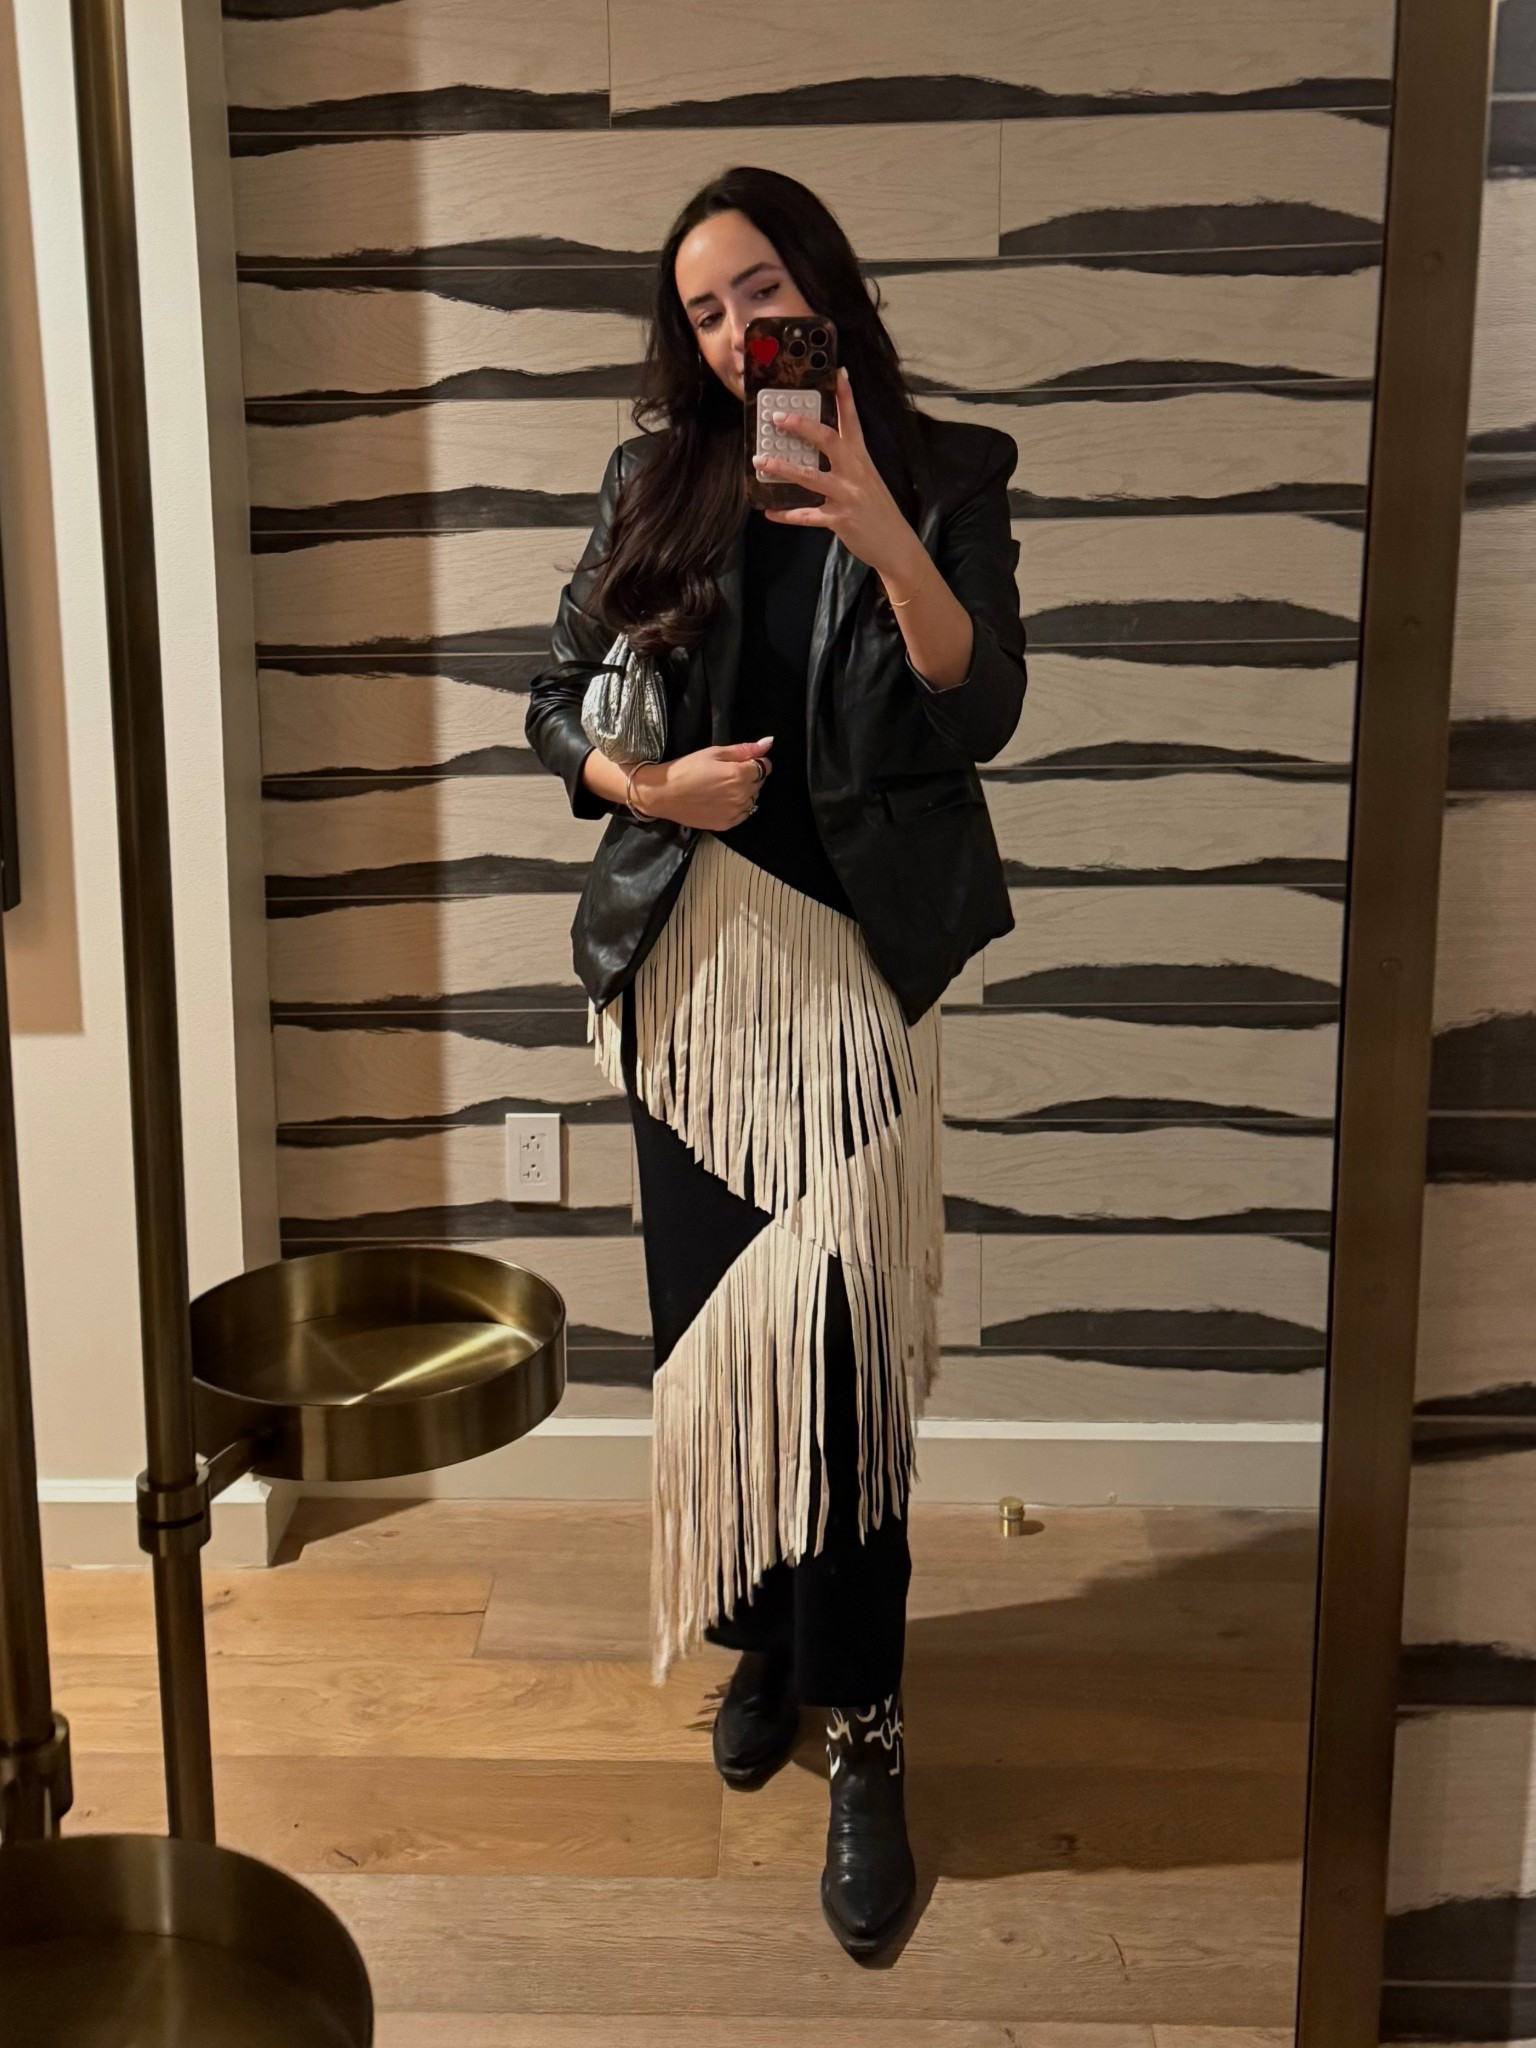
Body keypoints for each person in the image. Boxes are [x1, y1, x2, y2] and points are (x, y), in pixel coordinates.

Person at [524, 164, 1026, 1959]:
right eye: (706, 310)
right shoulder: (655, 479)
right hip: (690, 981)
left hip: (850, 988)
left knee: (847, 1364)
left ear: (821, 279)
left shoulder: (947, 474)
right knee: (716, 1340)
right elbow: (554, 704)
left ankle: (866, 1725)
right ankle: (761, 1643)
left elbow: (981, 705)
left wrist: (878, 524)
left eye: (758, 290)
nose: (739, 330)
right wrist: (651, 788)